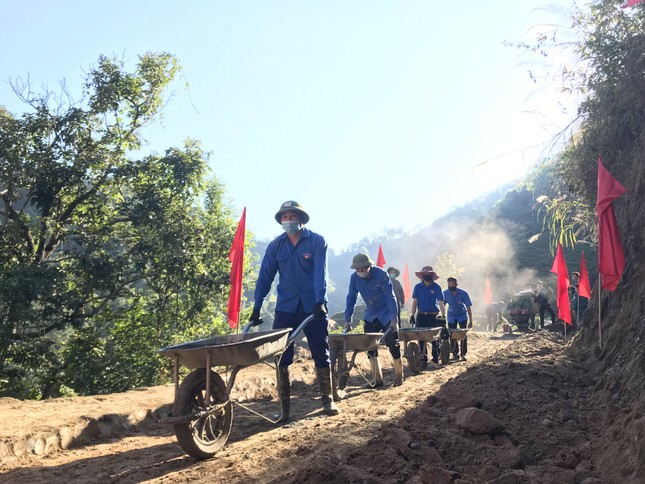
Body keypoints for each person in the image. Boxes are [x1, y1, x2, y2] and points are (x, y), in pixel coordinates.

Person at [250, 200, 338, 421]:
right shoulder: (275, 247)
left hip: (313, 306)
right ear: (281, 220)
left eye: (292, 216)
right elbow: (265, 277)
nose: (288, 220)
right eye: (285, 217)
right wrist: (257, 305)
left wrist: (320, 301)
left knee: (321, 350)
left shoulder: (317, 242)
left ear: (301, 219)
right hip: (286, 306)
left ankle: (327, 399)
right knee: (281, 354)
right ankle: (284, 408)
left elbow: (320, 273)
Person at [344, 254, 404, 387]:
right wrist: (348, 319)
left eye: (362, 269)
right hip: (370, 314)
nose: (360, 272)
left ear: (369, 266)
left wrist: (394, 319)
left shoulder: (381, 274)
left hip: (386, 313)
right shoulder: (354, 278)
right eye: (357, 269)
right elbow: (351, 298)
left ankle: (399, 375)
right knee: (369, 346)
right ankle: (377, 379)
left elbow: (390, 297)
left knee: (392, 344)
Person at [409, 266, 446, 366]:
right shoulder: (417, 287)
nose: (427, 275)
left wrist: (443, 316)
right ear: (422, 275)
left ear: (431, 275)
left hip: (433, 316)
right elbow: (414, 302)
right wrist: (412, 315)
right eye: (425, 274)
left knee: (434, 338)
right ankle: (423, 358)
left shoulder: (437, 287)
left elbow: (440, 303)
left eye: (429, 274)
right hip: (421, 315)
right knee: (420, 338)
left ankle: (435, 358)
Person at [442, 277, 473, 360]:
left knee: (463, 334)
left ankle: (463, 353)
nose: (451, 286)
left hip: (462, 315)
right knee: (452, 334)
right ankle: (455, 353)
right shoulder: (445, 293)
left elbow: (468, 307)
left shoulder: (463, 293)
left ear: (456, 284)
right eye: (449, 285)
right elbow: (442, 305)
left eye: (452, 284)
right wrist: (442, 317)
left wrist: (470, 320)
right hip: (451, 315)